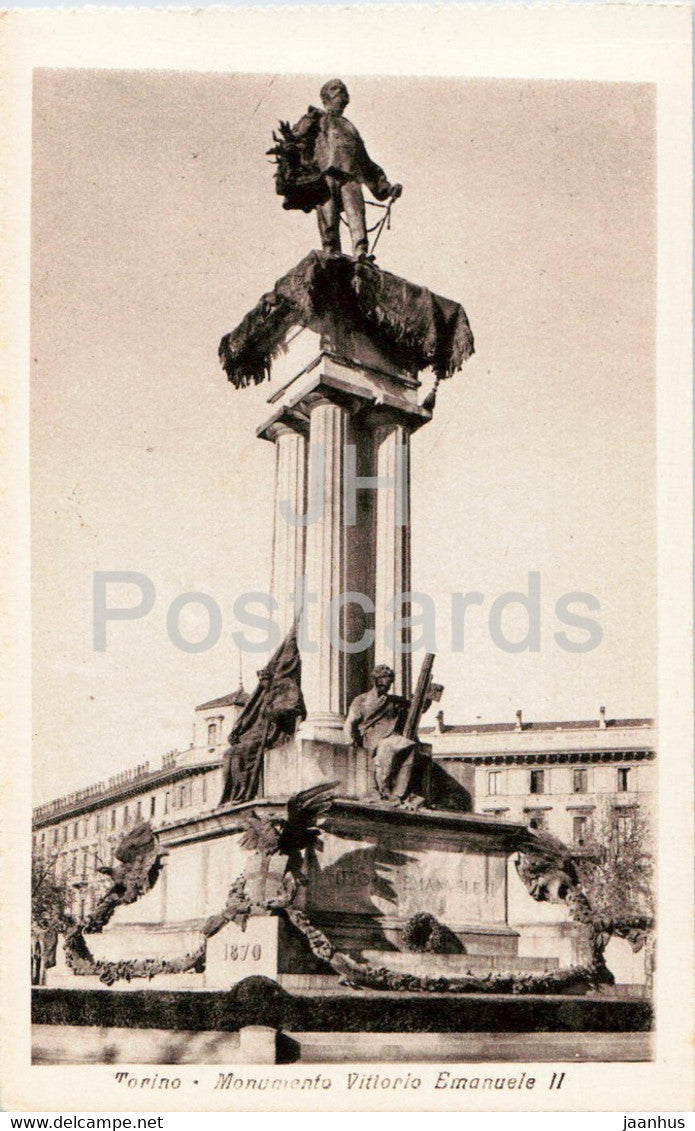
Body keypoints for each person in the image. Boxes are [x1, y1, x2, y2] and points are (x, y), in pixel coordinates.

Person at [288, 79, 403, 258]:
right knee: (329, 222)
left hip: (350, 178)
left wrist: (386, 187)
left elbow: (365, 163)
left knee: (356, 215)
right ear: (326, 98)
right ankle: (331, 255)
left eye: (343, 91)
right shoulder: (315, 119)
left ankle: (361, 254)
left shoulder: (350, 128)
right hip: (324, 179)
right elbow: (294, 141)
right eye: (336, 91)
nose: (341, 95)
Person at [343, 664, 417, 801]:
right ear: (375, 681)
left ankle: (399, 791)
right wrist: (348, 738)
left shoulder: (394, 701)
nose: (385, 689)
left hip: (391, 736)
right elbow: (350, 721)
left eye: (388, 686)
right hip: (371, 737)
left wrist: (429, 695)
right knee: (386, 748)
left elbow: (416, 707)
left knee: (409, 746)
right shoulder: (361, 700)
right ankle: (383, 789)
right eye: (382, 685)